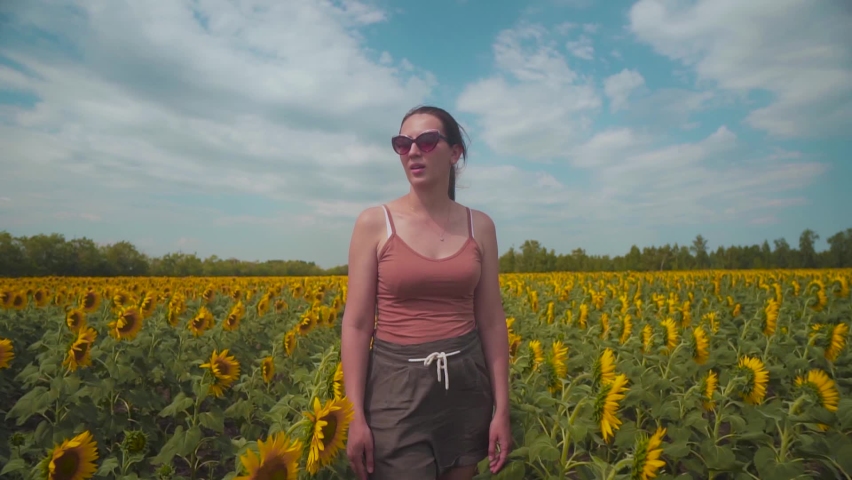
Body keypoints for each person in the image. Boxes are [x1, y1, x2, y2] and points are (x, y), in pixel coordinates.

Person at [341, 105, 512, 480]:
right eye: (403, 144)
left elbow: (492, 322)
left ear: (455, 154)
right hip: (396, 389)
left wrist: (502, 408)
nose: (413, 151)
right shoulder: (374, 223)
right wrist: (354, 416)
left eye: (427, 140)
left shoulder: (479, 226)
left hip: (466, 386)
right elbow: (356, 326)